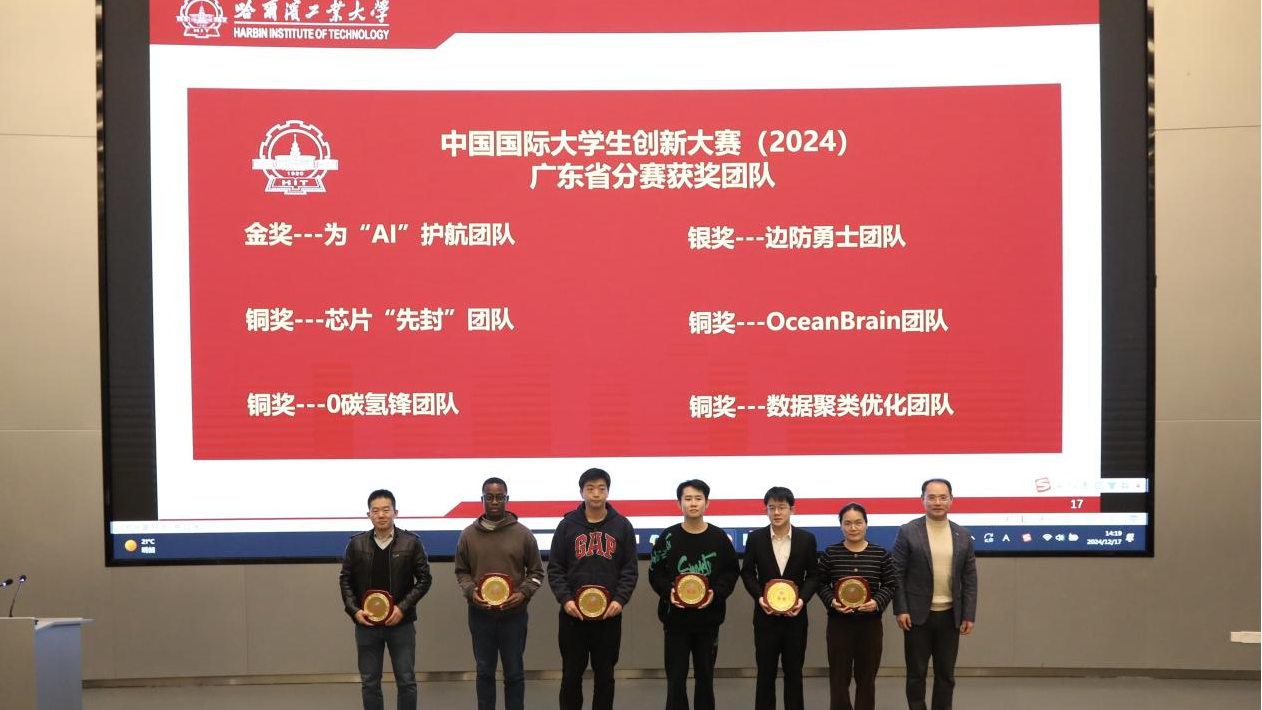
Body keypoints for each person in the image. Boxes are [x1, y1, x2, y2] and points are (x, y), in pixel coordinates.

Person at [548, 467, 639, 710]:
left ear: (608, 491)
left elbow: (629, 570)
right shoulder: (567, 525)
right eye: (590, 488)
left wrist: (620, 600)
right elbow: (555, 568)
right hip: (573, 617)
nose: (596, 494)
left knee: (605, 677)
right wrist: (565, 600)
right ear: (581, 492)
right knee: (571, 676)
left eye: (601, 488)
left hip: (609, 616)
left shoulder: (622, 525)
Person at [648, 479, 740, 710]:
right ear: (679, 503)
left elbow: (731, 572)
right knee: (675, 681)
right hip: (675, 621)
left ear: (707, 503)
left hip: (708, 622)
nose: (693, 503)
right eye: (687, 498)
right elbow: (655, 572)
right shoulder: (668, 537)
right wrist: (669, 592)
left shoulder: (719, 538)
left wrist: (716, 594)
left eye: (698, 499)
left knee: (705, 680)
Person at [455, 477, 546, 710]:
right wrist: (470, 591)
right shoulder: (468, 535)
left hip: (514, 616)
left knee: (514, 673)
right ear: (482, 499)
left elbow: (536, 572)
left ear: (507, 499)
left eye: (499, 497)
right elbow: (461, 572)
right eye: (489, 497)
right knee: (484, 672)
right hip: (480, 615)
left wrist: (523, 593)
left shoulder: (523, 534)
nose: (494, 501)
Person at [339, 489, 433, 710]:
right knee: (370, 683)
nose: (381, 515)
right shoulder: (356, 544)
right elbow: (345, 580)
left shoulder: (411, 542)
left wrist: (402, 608)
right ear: (368, 515)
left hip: (401, 624)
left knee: (406, 681)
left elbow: (425, 579)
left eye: (385, 510)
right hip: (366, 625)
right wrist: (354, 610)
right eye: (375, 511)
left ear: (395, 512)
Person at [892, 479, 978, 710]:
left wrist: (968, 614)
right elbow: (896, 573)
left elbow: (969, 578)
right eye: (931, 497)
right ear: (922, 500)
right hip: (917, 616)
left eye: (942, 497)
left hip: (950, 615)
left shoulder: (962, 534)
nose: (937, 502)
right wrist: (901, 609)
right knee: (916, 674)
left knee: (946, 675)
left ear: (951, 500)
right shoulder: (908, 531)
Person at [739, 486, 820, 710]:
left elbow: (814, 575)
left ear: (792, 509)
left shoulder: (806, 539)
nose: (776, 512)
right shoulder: (755, 538)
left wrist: (802, 599)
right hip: (765, 618)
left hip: (796, 618)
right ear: (766, 510)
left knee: (794, 673)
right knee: (765, 673)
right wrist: (759, 597)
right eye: (771, 507)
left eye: (782, 507)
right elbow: (747, 573)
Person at [819, 502, 896, 710]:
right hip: (839, 624)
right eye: (847, 523)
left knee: (867, 678)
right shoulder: (831, 553)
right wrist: (832, 601)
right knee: (838, 678)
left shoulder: (880, 553)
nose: (853, 527)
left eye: (858, 522)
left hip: (870, 625)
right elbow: (820, 583)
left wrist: (877, 603)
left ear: (866, 524)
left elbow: (890, 584)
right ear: (841, 526)